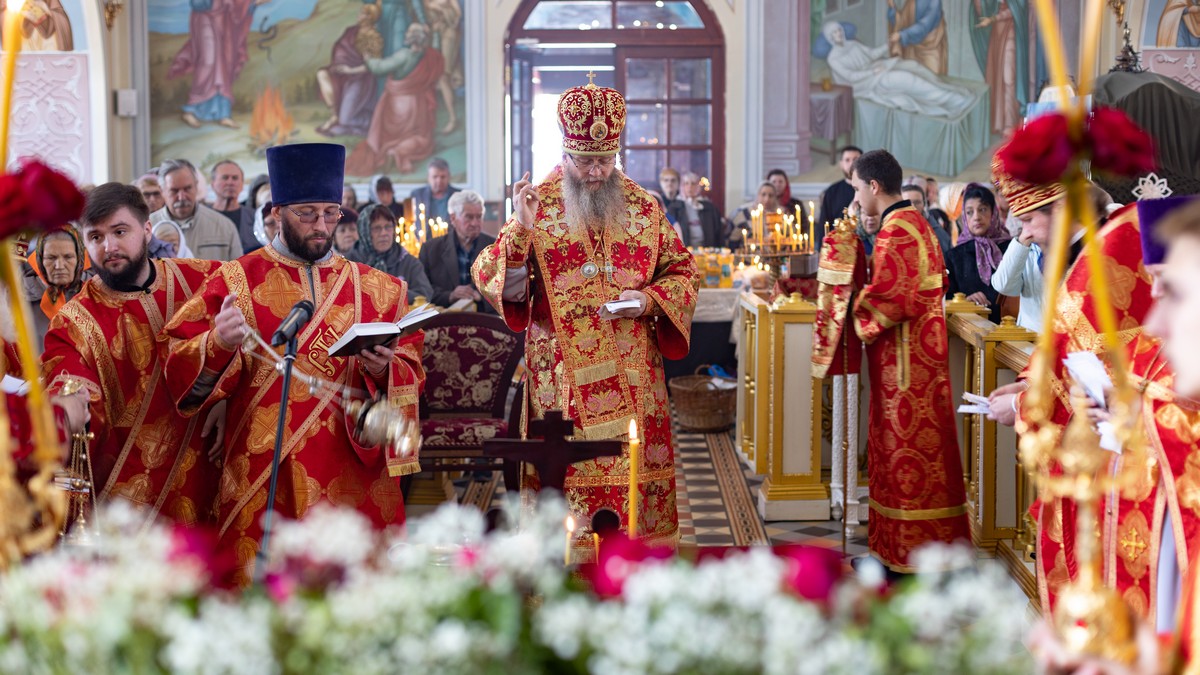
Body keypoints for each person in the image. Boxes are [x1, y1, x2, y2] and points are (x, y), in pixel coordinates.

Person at [163, 143, 425, 587]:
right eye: (306, 213)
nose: (321, 226)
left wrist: (384, 370)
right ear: (278, 210)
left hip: (351, 478)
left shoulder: (380, 291)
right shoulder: (235, 280)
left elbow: (412, 366)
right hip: (265, 476)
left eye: (330, 213)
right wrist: (218, 342)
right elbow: (178, 366)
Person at [472, 79, 699, 557]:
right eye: (586, 161)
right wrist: (520, 230)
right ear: (565, 152)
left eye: (606, 160)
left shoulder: (643, 205)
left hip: (635, 377)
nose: (596, 172)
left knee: (631, 481)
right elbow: (491, 275)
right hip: (563, 382)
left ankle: (632, 574)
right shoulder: (536, 203)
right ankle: (564, 578)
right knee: (569, 483)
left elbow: (683, 270)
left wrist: (650, 300)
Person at [41, 183, 224, 528]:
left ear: (147, 229)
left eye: (120, 231)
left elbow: (255, 337)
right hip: (130, 503)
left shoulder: (202, 280)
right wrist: (68, 404)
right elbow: (65, 376)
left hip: (206, 478)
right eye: (95, 237)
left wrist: (228, 397)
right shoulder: (74, 321)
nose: (109, 246)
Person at [849, 149, 970, 574]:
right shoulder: (913, 224)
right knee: (899, 458)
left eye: (858, 188)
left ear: (874, 186)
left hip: (906, 374)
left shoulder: (898, 231)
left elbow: (890, 300)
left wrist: (847, 303)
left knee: (907, 462)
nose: (857, 197)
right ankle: (891, 552)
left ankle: (907, 559)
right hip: (911, 367)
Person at [344, 23, 443, 177]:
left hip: (398, 103)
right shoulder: (428, 55)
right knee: (416, 135)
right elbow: (438, 58)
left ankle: (392, 152)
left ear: (411, 38)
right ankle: (398, 151)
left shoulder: (404, 55)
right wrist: (436, 35)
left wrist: (368, 58)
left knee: (392, 136)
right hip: (418, 103)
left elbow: (379, 68)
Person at [823, 21, 972, 117]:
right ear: (830, 37)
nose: (839, 34)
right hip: (864, 84)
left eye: (839, 30)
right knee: (906, 79)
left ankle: (946, 89)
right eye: (835, 32)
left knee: (913, 66)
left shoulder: (853, 44)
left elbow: (871, 54)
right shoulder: (833, 58)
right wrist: (872, 72)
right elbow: (850, 77)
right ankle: (953, 100)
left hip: (876, 68)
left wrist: (887, 44)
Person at [168, 0, 264, 128]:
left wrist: (252, 3)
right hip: (205, 18)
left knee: (225, 64)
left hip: (225, 20)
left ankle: (223, 114)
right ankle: (191, 110)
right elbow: (198, 3)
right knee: (207, 62)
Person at [150, 159, 242, 261]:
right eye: (174, 191)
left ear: (196, 186)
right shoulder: (147, 227)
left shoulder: (224, 226)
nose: (181, 197)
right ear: (162, 190)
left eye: (187, 189)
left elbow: (239, 273)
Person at [316, 2, 383, 138]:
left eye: (363, 13)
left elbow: (371, 66)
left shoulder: (372, 36)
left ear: (369, 17)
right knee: (322, 74)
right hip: (343, 74)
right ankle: (335, 115)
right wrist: (340, 67)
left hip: (360, 78)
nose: (359, 15)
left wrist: (350, 70)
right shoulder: (352, 31)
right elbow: (341, 48)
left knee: (346, 120)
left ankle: (374, 122)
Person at [946, 183, 1011, 322]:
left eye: (982, 209)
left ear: (993, 212)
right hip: (970, 329)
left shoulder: (1011, 248)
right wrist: (964, 302)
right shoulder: (954, 256)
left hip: (1012, 329)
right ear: (964, 216)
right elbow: (946, 297)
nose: (976, 217)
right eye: (970, 212)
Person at [419, 189, 492, 310]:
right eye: (469, 217)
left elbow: (507, 291)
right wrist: (450, 295)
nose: (475, 223)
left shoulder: (495, 247)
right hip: (443, 321)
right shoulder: (431, 249)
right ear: (453, 218)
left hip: (485, 320)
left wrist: (481, 297)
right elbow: (422, 291)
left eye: (479, 217)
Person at [350, 202, 433, 304]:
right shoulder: (349, 262)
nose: (384, 233)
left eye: (388, 227)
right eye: (377, 228)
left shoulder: (408, 262)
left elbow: (424, 296)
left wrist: (392, 291)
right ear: (364, 231)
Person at [23, 227, 87, 351]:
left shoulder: (99, 293)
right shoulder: (16, 299)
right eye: (51, 258)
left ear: (79, 259)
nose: (59, 266)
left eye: (68, 257)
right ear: (40, 260)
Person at [210, 160, 261, 254]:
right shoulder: (202, 217)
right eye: (225, 178)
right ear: (212, 184)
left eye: (235, 178)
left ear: (242, 185)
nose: (230, 182)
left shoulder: (256, 218)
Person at [886, 0, 948, 75]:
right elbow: (901, 23)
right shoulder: (910, 2)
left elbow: (924, 27)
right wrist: (891, 6)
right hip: (911, 52)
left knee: (930, 81)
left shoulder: (934, 1)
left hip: (929, 52)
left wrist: (901, 35)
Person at [667, 171, 725, 248]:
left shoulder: (710, 208)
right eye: (686, 183)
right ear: (681, 186)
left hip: (707, 251)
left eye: (693, 183)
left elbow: (718, 233)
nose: (690, 187)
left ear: (698, 186)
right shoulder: (674, 208)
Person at [408, 157, 461, 231]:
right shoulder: (417, 195)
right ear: (428, 178)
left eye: (443, 177)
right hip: (424, 240)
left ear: (449, 177)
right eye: (435, 177)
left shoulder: (458, 196)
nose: (439, 181)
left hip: (451, 240)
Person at [902, 182, 951, 260]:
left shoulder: (937, 234)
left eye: (917, 202)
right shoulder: (891, 229)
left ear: (924, 204)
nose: (912, 207)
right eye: (907, 203)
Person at [819, 146, 862, 233]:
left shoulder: (870, 189)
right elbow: (824, 224)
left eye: (855, 159)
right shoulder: (831, 192)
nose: (852, 163)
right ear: (841, 164)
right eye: (847, 160)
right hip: (837, 243)